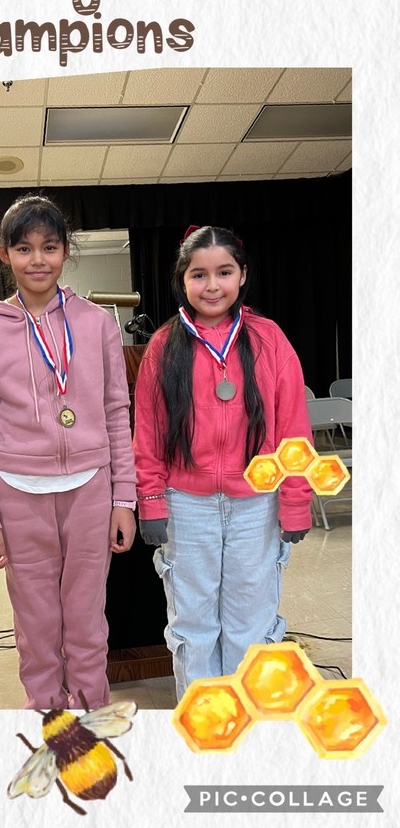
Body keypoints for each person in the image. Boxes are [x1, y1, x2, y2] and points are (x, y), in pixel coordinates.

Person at [0, 195, 136, 710]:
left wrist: (125, 498)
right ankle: (48, 718)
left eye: (50, 247)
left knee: (86, 618)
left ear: (65, 251)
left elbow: (116, 411)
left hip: (90, 488)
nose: (38, 259)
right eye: (24, 248)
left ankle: (91, 714)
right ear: (3, 254)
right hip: (18, 493)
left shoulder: (97, 322)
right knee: (36, 624)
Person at [133, 224, 312, 701]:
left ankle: (246, 722)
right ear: (182, 280)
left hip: (257, 504)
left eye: (224, 272)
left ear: (243, 275)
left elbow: (294, 427)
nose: (212, 286)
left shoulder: (270, 340)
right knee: (193, 624)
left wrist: (295, 501)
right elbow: (146, 434)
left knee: (250, 621)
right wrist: (150, 498)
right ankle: (205, 722)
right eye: (199, 274)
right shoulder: (163, 347)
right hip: (186, 505)